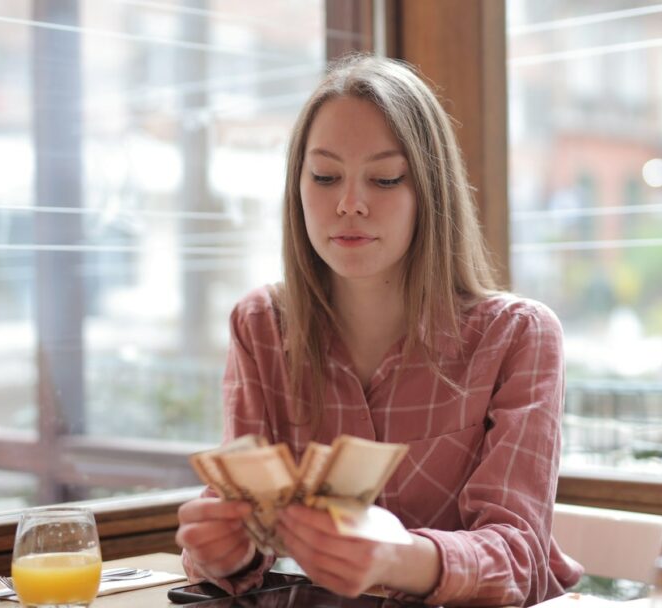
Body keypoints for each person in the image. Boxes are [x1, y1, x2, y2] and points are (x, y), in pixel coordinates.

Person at [176, 54, 582, 607]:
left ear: (430, 194)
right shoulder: (260, 326)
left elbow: (519, 558)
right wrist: (224, 552)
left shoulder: (518, 337)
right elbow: (243, 541)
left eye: (385, 178)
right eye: (324, 177)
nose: (349, 204)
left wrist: (397, 557)